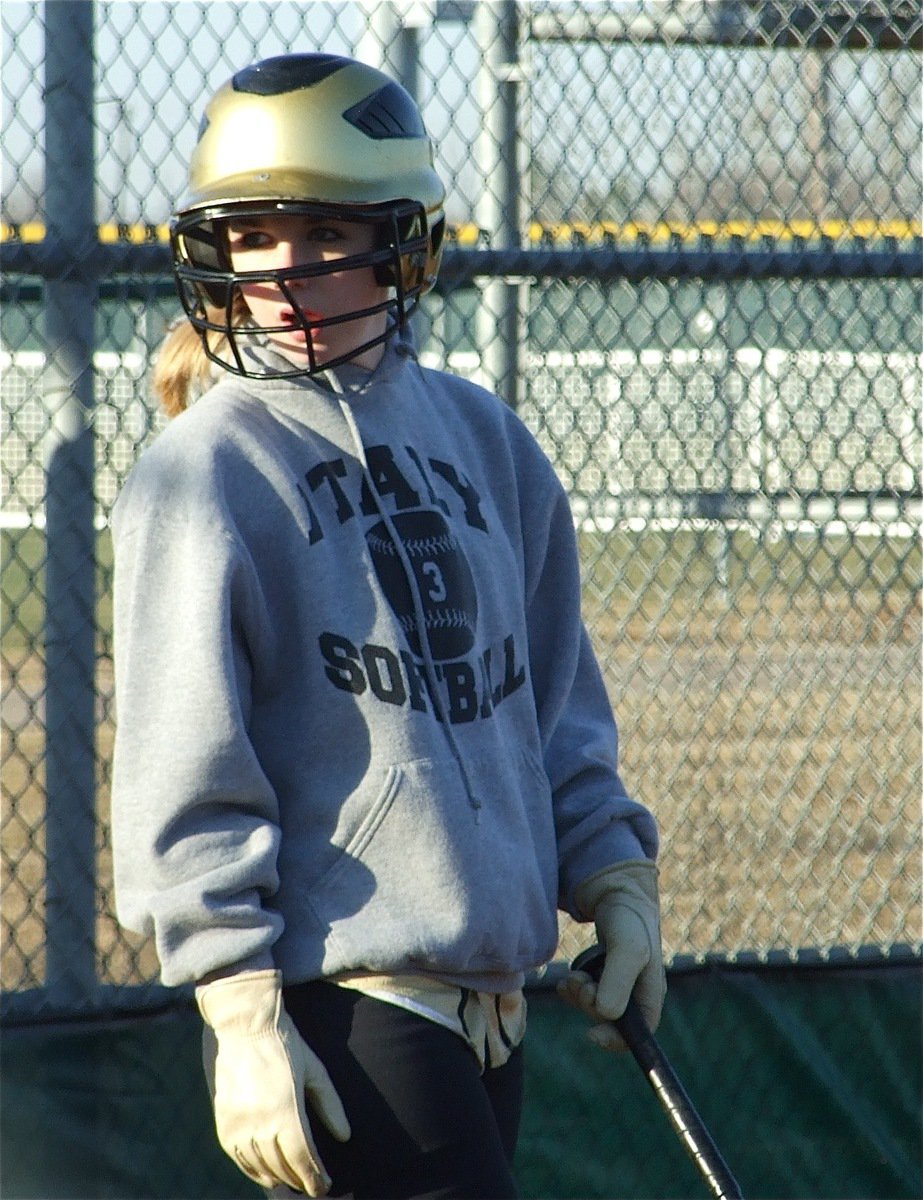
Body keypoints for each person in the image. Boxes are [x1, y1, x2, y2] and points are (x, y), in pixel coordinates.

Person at [111, 51, 666, 1200]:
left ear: (404, 241)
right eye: (252, 234)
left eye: (323, 233)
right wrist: (240, 1011)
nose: (282, 271)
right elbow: (183, 766)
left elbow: (545, 700)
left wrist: (614, 876)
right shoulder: (207, 466)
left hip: (493, 1006)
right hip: (346, 1008)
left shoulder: (484, 436)